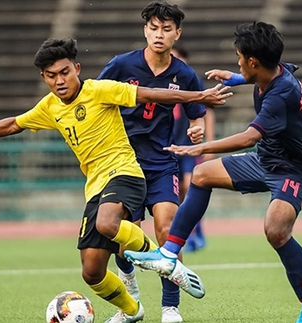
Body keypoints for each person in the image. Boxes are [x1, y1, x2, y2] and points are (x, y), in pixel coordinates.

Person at [0, 37, 231, 323]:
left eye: (64, 72)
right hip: (96, 186)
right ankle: (131, 310)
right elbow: (14, 123)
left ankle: (166, 262)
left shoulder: (100, 89)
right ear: (44, 77)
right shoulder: (49, 107)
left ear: (76, 69)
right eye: (51, 76)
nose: (59, 81)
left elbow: (152, 94)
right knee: (92, 272)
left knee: (108, 223)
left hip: (126, 171)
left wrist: (198, 96)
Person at [124, 21, 302, 323]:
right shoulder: (275, 72)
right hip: (267, 159)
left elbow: (248, 137)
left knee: (276, 231)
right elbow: (266, 75)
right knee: (203, 175)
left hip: (295, 171)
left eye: (240, 58)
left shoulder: (280, 94)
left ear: (253, 62)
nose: (238, 61)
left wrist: (198, 148)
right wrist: (234, 78)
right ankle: (169, 254)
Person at [97, 2, 209, 322]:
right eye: (154, 28)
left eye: (167, 29)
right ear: (145, 30)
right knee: (124, 236)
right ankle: (131, 298)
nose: (159, 35)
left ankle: (170, 307)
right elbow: (96, 96)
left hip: (162, 162)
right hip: (124, 162)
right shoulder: (121, 65)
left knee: (167, 229)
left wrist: (196, 129)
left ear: (177, 33)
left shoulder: (184, 74)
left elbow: (196, 114)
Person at [171, 44, 215, 253]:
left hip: (190, 145)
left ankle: (198, 233)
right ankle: (187, 233)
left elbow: (208, 113)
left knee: (190, 185)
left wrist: (210, 145)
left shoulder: (190, 81)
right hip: (171, 145)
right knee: (178, 192)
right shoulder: (162, 82)